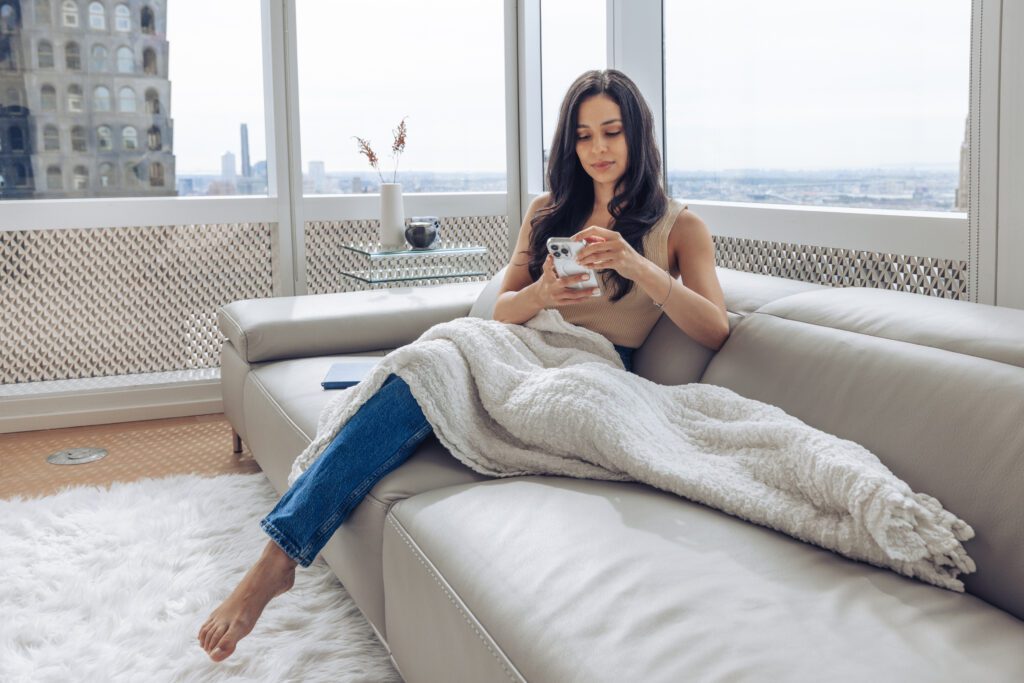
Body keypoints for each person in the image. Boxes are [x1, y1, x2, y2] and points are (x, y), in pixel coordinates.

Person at [198, 69, 729, 662]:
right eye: (582, 136)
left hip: (588, 365)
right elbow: (504, 310)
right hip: (516, 342)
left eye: (611, 132)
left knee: (435, 371)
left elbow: (714, 325)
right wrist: (544, 297)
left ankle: (278, 555)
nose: (598, 150)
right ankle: (277, 559)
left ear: (639, 135)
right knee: (425, 364)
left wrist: (637, 267)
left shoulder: (680, 227)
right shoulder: (549, 210)